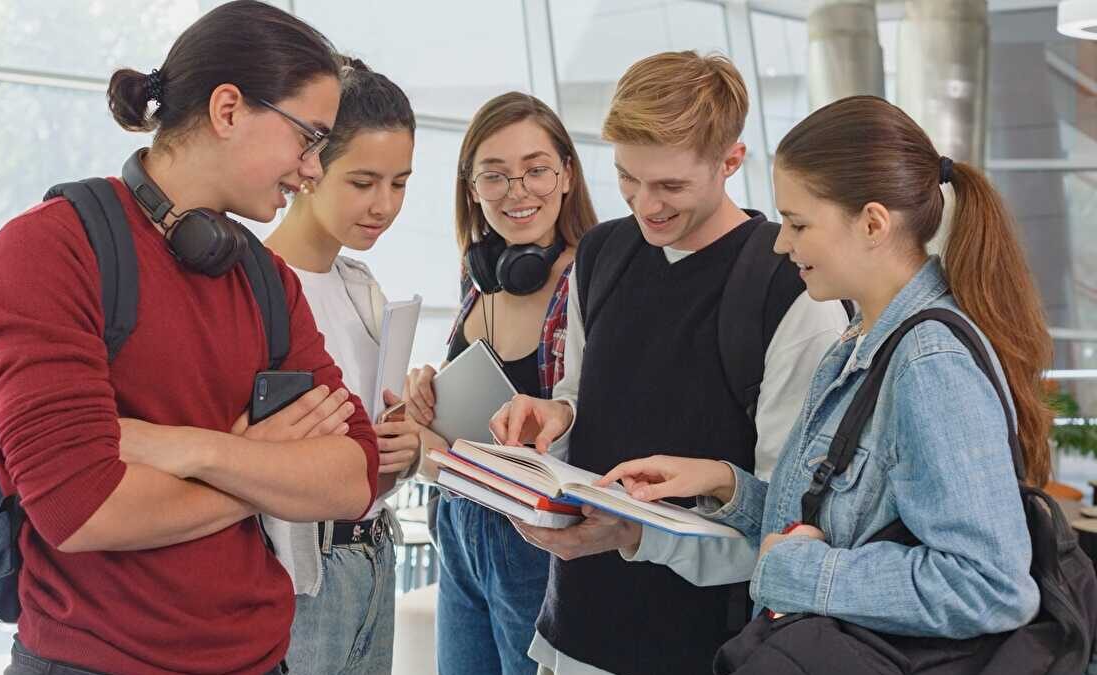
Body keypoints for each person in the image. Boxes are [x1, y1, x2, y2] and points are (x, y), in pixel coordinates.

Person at [0, 3, 377, 673]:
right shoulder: (49, 248)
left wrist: (187, 447)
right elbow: (80, 509)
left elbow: (354, 473)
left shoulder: (265, 277)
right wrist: (263, 467)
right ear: (227, 110)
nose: (313, 169)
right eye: (308, 137)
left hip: (260, 658)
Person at [601, 94, 1046, 665]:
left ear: (872, 223)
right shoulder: (863, 339)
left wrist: (797, 571)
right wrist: (723, 484)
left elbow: (988, 587)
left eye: (798, 223)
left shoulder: (928, 364)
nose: (782, 242)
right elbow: (836, 523)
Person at [489, 52, 848, 675]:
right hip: (574, 629)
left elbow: (787, 516)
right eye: (628, 177)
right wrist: (555, 416)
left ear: (732, 161)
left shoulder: (792, 289)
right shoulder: (602, 252)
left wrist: (635, 535)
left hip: (704, 647)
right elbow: (585, 397)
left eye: (670, 186)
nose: (644, 204)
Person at [401, 92, 599, 675]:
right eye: (495, 176)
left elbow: (599, 414)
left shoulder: (590, 277)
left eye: (536, 170)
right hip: (460, 520)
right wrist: (428, 388)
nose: (518, 192)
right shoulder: (478, 274)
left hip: (536, 536)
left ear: (566, 174)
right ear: (471, 188)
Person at [260, 56, 419, 675]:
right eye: (363, 181)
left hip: (375, 558)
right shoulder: (254, 283)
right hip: (301, 577)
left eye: (400, 183)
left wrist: (402, 449)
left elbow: (373, 450)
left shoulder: (364, 287)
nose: (384, 205)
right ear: (310, 164)